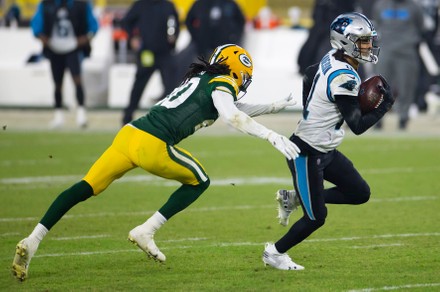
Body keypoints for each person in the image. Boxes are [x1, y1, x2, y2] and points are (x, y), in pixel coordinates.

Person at [12, 44, 301, 281]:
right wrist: (271, 136)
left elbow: (233, 106)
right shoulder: (223, 82)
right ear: (235, 68)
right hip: (153, 144)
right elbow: (231, 116)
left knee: (86, 186)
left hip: (129, 135)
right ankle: (145, 230)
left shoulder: (202, 80)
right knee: (199, 180)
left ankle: (33, 239)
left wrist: (273, 106)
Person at [262, 12, 396, 271]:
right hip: (305, 152)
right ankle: (274, 252)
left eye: (369, 40)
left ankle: (297, 198)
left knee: (359, 193)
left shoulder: (332, 58)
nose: (369, 46)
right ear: (346, 42)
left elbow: (310, 74)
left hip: (326, 149)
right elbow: (357, 125)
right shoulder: (345, 77)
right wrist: (385, 106)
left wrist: (310, 110)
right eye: (364, 41)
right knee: (316, 218)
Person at [30, 0, 99, 129]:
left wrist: (85, 38)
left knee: (77, 80)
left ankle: (81, 113)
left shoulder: (81, 5)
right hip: (54, 49)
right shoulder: (46, 4)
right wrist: (42, 38)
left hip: (74, 48)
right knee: (57, 83)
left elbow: (93, 26)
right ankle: (58, 115)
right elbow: (36, 26)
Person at [121, 0, 180, 125]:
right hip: (147, 52)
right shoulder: (141, 4)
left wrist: (174, 38)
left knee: (171, 86)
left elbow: (176, 24)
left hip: (165, 52)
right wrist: (133, 37)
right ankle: (127, 116)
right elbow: (126, 22)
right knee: (139, 85)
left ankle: (172, 119)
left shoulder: (168, 5)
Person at [372, 0, 425, 130]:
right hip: (385, 49)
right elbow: (376, 25)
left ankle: (403, 118)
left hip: (407, 51)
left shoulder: (414, 7)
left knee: (406, 86)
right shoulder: (380, 5)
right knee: (380, 86)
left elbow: (421, 27)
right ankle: (377, 118)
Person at [174, 0, 245, 82]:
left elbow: (240, 22)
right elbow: (188, 20)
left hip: (223, 51)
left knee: (220, 77)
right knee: (199, 77)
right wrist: (196, 37)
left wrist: (233, 38)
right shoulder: (199, 3)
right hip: (202, 49)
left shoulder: (230, 4)